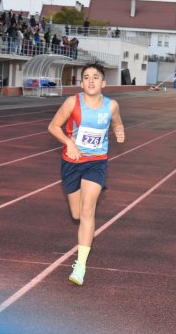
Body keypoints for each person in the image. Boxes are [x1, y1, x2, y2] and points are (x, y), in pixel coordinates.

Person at [48, 62, 125, 286]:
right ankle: (85, 231)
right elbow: (53, 126)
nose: (91, 80)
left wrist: (119, 133)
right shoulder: (72, 102)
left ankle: (80, 266)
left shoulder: (111, 106)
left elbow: (118, 123)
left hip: (96, 163)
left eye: (95, 77)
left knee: (88, 209)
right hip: (72, 162)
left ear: (103, 83)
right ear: (82, 83)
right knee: (77, 214)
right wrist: (69, 142)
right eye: (87, 77)